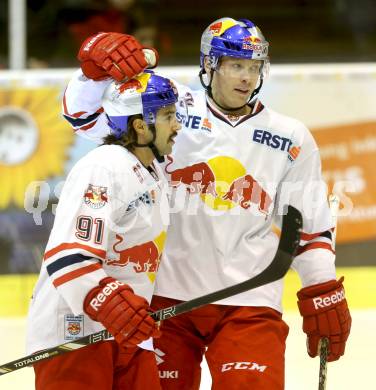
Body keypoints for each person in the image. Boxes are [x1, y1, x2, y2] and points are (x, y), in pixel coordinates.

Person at [62, 20, 351, 390]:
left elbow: (309, 227)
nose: (247, 77)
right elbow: (82, 119)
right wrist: (93, 76)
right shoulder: (169, 108)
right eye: (235, 65)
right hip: (166, 300)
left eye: (254, 67)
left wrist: (322, 287)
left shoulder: (290, 136)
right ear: (209, 65)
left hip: (250, 301)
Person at [26, 64, 181, 389]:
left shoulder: (151, 171)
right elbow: (69, 258)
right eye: (168, 116)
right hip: (75, 334)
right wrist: (114, 306)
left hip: (127, 333)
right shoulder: (105, 166)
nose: (177, 125)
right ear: (141, 126)